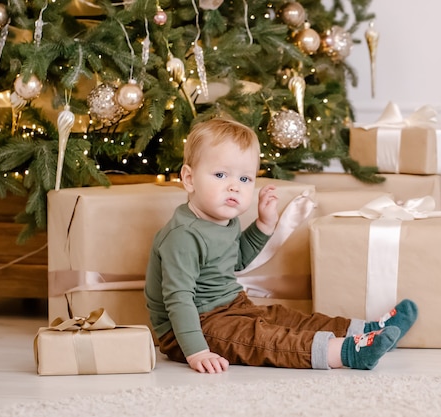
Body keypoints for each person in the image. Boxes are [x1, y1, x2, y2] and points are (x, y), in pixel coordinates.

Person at [144, 117, 418, 374]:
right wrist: (197, 351)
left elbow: (236, 260)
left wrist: (263, 224)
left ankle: (367, 330)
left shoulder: (225, 220)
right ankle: (348, 352)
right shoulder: (182, 236)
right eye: (220, 175)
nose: (234, 187)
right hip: (193, 327)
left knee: (285, 318)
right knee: (266, 339)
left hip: (231, 305)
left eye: (244, 179)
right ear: (189, 179)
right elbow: (178, 300)